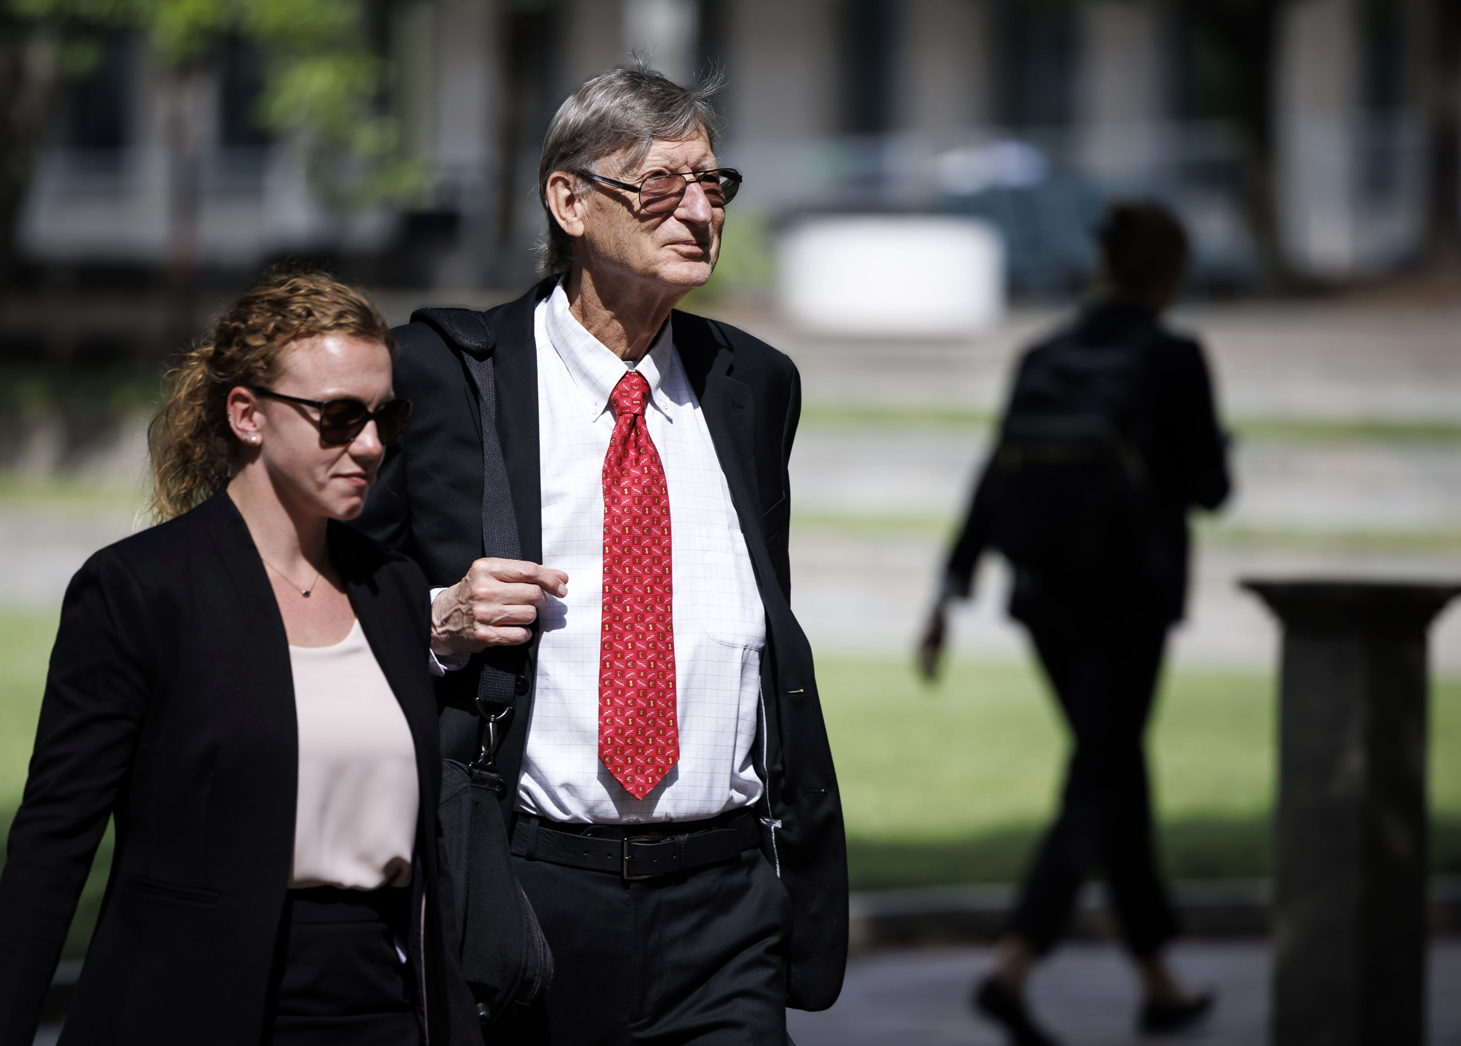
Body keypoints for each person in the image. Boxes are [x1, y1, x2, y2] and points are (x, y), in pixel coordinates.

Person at [352, 67, 848, 1045]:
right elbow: (329, 591)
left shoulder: (754, 386)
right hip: (531, 892)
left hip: (725, 905)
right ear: (568, 199)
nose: (700, 210)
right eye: (661, 183)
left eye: (715, 184)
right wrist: (437, 621)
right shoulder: (448, 377)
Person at [0, 272, 478, 1046]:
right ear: (248, 416)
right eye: (339, 417)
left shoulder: (392, 586)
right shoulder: (139, 590)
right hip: (190, 1007)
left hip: (378, 1007)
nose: (370, 446)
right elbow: (52, 846)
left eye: (385, 416)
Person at [917, 201, 1232, 1045]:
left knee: (1112, 769)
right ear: (1167, 273)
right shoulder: (1174, 357)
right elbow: (1212, 488)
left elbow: (995, 472)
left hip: (1044, 598)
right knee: (1102, 773)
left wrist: (949, 591)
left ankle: (1158, 980)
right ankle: (1014, 963)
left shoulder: (1045, 354)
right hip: (1131, 598)